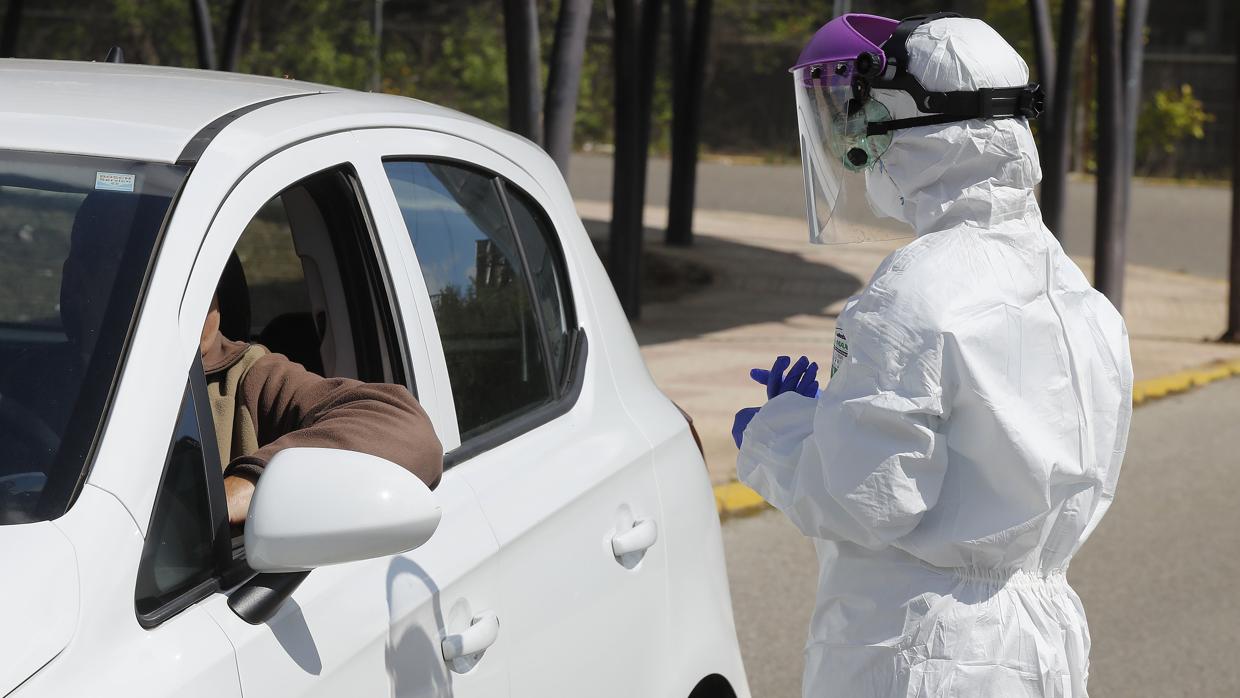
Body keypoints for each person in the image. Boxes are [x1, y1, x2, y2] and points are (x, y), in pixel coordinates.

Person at [732, 13, 1131, 698]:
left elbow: (864, 498)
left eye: (865, 125)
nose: (863, 149)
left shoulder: (914, 290)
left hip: (927, 652)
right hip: (1041, 644)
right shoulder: (1081, 298)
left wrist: (779, 432)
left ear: (915, 131)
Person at [6, 190, 442, 527]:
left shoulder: (248, 378)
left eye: (173, 275)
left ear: (213, 295)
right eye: (119, 269)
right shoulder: (24, 376)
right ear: (74, 283)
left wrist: (250, 484)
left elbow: (407, 429)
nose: (149, 292)